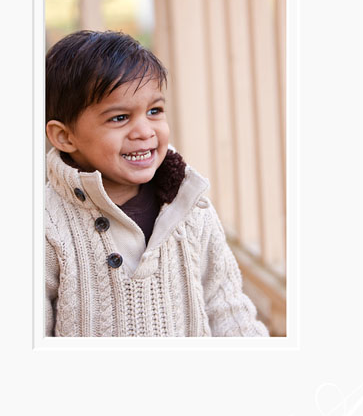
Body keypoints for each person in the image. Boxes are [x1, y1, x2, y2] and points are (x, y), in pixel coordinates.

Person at [44, 30, 268, 337]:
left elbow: (227, 308)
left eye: (154, 111)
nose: (145, 131)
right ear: (65, 136)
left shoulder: (190, 205)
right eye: (120, 117)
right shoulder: (46, 223)